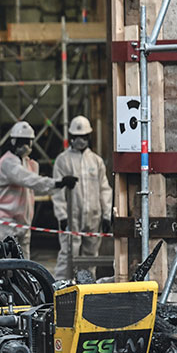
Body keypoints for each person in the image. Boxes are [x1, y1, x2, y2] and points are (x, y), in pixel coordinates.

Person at [0, 121, 77, 259]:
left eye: (27, 141)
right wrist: (57, 183)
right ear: (13, 142)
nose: (25, 146)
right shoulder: (8, 162)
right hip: (4, 218)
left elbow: (35, 188)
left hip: (23, 220)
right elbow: (29, 180)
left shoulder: (27, 163)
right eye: (21, 142)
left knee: (23, 261)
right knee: (4, 261)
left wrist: (57, 186)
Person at [52, 115, 113, 279]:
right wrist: (62, 215)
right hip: (72, 218)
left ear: (89, 137)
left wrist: (107, 216)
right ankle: (59, 289)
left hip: (93, 217)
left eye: (83, 136)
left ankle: (87, 291)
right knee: (67, 255)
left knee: (90, 256)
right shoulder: (62, 161)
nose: (80, 140)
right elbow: (57, 192)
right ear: (71, 136)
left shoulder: (96, 161)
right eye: (77, 137)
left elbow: (104, 189)